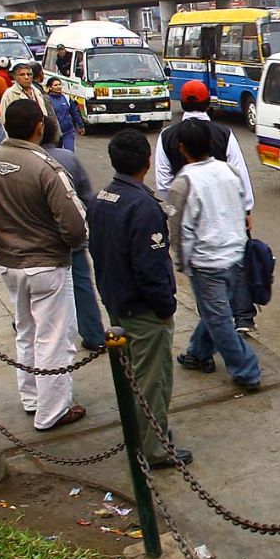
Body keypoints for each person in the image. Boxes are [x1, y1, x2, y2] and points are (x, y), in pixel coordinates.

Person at [88, 128, 191, 468]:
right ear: (147, 162)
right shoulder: (143, 206)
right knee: (152, 380)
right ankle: (154, 449)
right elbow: (149, 267)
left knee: (133, 376)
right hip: (143, 309)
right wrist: (165, 308)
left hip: (116, 301)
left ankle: (141, 434)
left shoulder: (103, 196)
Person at [0, 98, 88, 430]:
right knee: (54, 338)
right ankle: (53, 411)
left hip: (8, 261)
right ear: (38, 127)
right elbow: (74, 225)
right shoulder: (45, 167)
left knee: (26, 331)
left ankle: (31, 397)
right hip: (46, 264)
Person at [153, 79, 257, 334]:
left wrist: (180, 201)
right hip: (229, 206)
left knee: (203, 263)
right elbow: (239, 173)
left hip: (191, 211)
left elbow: (163, 180)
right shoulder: (224, 133)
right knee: (236, 256)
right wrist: (246, 209)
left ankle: (210, 317)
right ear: (208, 101)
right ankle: (243, 317)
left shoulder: (167, 135)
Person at [165, 118, 260, 391]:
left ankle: (247, 370)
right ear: (210, 143)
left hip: (207, 264)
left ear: (181, 148)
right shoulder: (228, 171)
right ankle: (198, 352)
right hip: (235, 255)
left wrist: (182, 263)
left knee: (219, 319)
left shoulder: (183, 183)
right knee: (216, 312)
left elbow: (178, 229)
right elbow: (242, 208)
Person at [43, 134, 106, 352]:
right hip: (72, 238)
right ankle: (94, 335)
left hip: (37, 246)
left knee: (38, 293)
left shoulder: (20, 161)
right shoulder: (68, 158)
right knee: (81, 286)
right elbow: (87, 198)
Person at [0, 62, 62, 147]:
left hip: (39, 135)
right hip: (21, 139)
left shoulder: (36, 91)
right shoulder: (9, 94)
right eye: (22, 74)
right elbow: (5, 120)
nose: (26, 77)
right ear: (15, 77)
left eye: (29, 74)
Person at [44, 75, 84, 152]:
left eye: (59, 84)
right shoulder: (47, 99)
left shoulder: (66, 97)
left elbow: (74, 112)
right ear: (50, 87)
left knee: (70, 152)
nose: (58, 86)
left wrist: (80, 125)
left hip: (68, 131)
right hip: (55, 132)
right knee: (57, 154)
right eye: (55, 85)